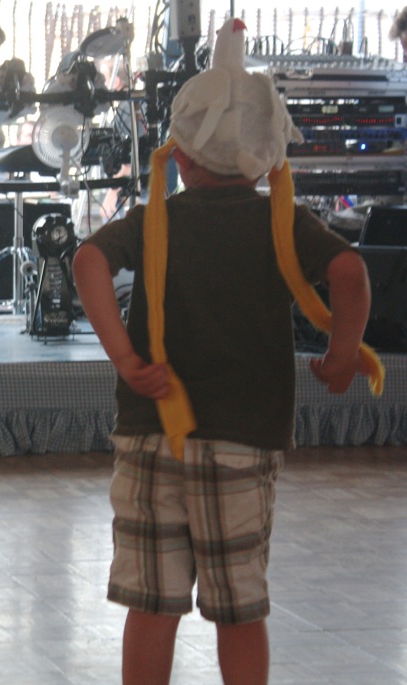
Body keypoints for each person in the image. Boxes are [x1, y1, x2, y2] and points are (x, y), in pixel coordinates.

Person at [72, 18, 383, 685]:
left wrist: (125, 357)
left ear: (178, 156)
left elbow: (89, 258)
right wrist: (339, 355)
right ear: (270, 156)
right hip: (242, 440)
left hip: (150, 432)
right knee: (238, 608)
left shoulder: (157, 218)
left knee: (150, 603)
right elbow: (350, 274)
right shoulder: (282, 219)